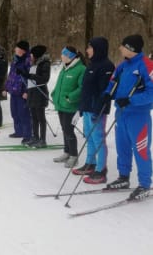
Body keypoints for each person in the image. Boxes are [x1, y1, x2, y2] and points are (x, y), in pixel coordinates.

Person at [104, 34, 153, 200]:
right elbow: (112, 82)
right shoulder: (123, 65)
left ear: (131, 48)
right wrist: (106, 95)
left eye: (122, 46)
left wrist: (131, 100)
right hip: (121, 114)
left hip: (138, 116)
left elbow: (151, 92)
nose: (120, 48)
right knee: (122, 147)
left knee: (140, 150)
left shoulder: (147, 65)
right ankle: (123, 177)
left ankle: (145, 184)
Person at [72, 37, 115, 184]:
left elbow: (104, 91)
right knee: (89, 137)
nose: (87, 50)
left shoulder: (106, 66)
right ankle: (91, 164)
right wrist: (81, 108)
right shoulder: (92, 64)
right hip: (88, 108)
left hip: (97, 110)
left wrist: (98, 109)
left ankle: (101, 171)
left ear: (98, 49)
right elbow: (86, 89)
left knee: (98, 140)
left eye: (90, 47)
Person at [51, 46, 86, 168]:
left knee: (69, 131)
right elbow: (59, 85)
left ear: (71, 57)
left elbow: (82, 88)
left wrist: (70, 97)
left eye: (64, 55)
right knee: (64, 130)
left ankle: (74, 156)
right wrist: (54, 93)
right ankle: (66, 152)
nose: (61, 56)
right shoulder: (64, 69)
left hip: (70, 106)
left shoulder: (81, 69)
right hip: (61, 105)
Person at [17, 45, 51, 148]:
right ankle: (35, 137)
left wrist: (29, 76)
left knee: (41, 117)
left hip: (40, 93)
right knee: (34, 117)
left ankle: (43, 140)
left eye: (31, 54)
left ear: (36, 55)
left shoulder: (45, 64)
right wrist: (23, 73)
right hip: (32, 92)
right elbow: (30, 76)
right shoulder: (33, 63)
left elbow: (44, 79)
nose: (30, 56)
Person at [3, 40, 32, 144]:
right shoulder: (15, 59)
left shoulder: (28, 60)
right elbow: (11, 74)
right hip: (13, 89)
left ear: (22, 50)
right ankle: (18, 131)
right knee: (14, 112)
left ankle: (27, 134)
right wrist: (6, 87)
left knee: (23, 113)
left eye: (17, 48)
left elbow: (30, 78)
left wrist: (26, 91)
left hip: (21, 91)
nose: (15, 49)